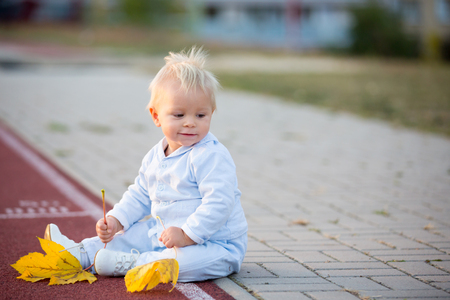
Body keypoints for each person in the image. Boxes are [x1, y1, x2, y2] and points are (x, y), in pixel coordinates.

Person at [45, 47, 248, 282]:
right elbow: (141, 194)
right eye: (179, 115)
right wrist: (116, 220)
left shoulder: (210, 155)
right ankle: (79, 253)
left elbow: (219, 203)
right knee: (128, 237)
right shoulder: (155, 155)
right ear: (156, 116)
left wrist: (187, 234)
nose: (191, 123)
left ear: (211, 113)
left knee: (180, 263)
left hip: (216, 243)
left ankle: (131, 263)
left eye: (201, 116)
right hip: (165, 233)